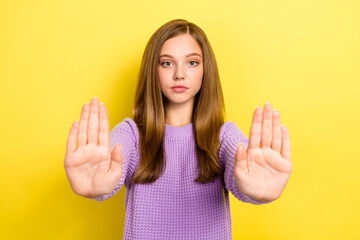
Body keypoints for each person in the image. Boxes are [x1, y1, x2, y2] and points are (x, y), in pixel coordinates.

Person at [64, 19, 292, 240]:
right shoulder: (131, 135)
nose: (179, 74)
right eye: (167, 63)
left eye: (192, 62)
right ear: (152, 70)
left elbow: (244, 177)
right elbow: (109, 168)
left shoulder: (224, 137)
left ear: (206, 70)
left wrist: (257, 190)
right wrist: (98, 186)